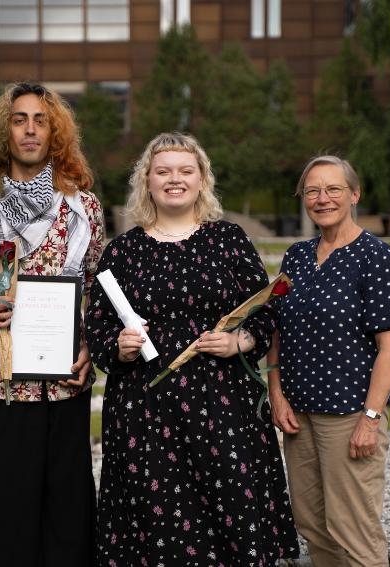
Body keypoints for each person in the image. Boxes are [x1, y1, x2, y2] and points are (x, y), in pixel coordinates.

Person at [85, 132, 298, 565]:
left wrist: (241, 339)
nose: (174, 180)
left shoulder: (229, 240)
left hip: (224, 406)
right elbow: (99, 325)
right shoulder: (123, 251)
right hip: (146, 411)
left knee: (228, 515)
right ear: (147, 181)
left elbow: (265, 308)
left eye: (186, 171)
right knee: (156, 518)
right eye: (163, 171)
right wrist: (120, 345)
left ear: (202, 180)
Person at [0, 82, 105, 567]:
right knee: (5, 504)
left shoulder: (82, 209)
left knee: (65, 507)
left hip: (64, 377)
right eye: (19, 119)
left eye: (40, 120)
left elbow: (98, 288)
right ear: (5, 132)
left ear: (54, 132)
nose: (29, 129)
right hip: (2, 378)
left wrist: (89, 347)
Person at [267, 155, 390, 566]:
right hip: (299, 414)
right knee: (312, 524)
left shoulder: (377, 258)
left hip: (349, 415)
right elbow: (277, 330)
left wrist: (370, 417)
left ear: (354, 194)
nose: (322, 198)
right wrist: (276, 393)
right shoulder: (295, 257)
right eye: (312, 190)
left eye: (333, 189)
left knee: (354, 531)